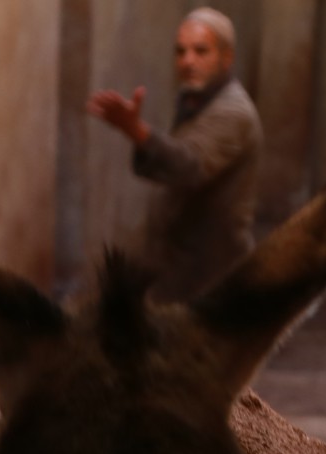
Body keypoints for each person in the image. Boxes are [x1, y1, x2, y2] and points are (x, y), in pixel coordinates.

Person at [86, 8, 261, 303]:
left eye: (200, 51)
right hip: (185, 266)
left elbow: (189, 166)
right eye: (181, 52)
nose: (188, 61)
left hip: (212, 271)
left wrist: (136, 131)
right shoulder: (197, 99)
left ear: (226, 58)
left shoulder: (233, 112)